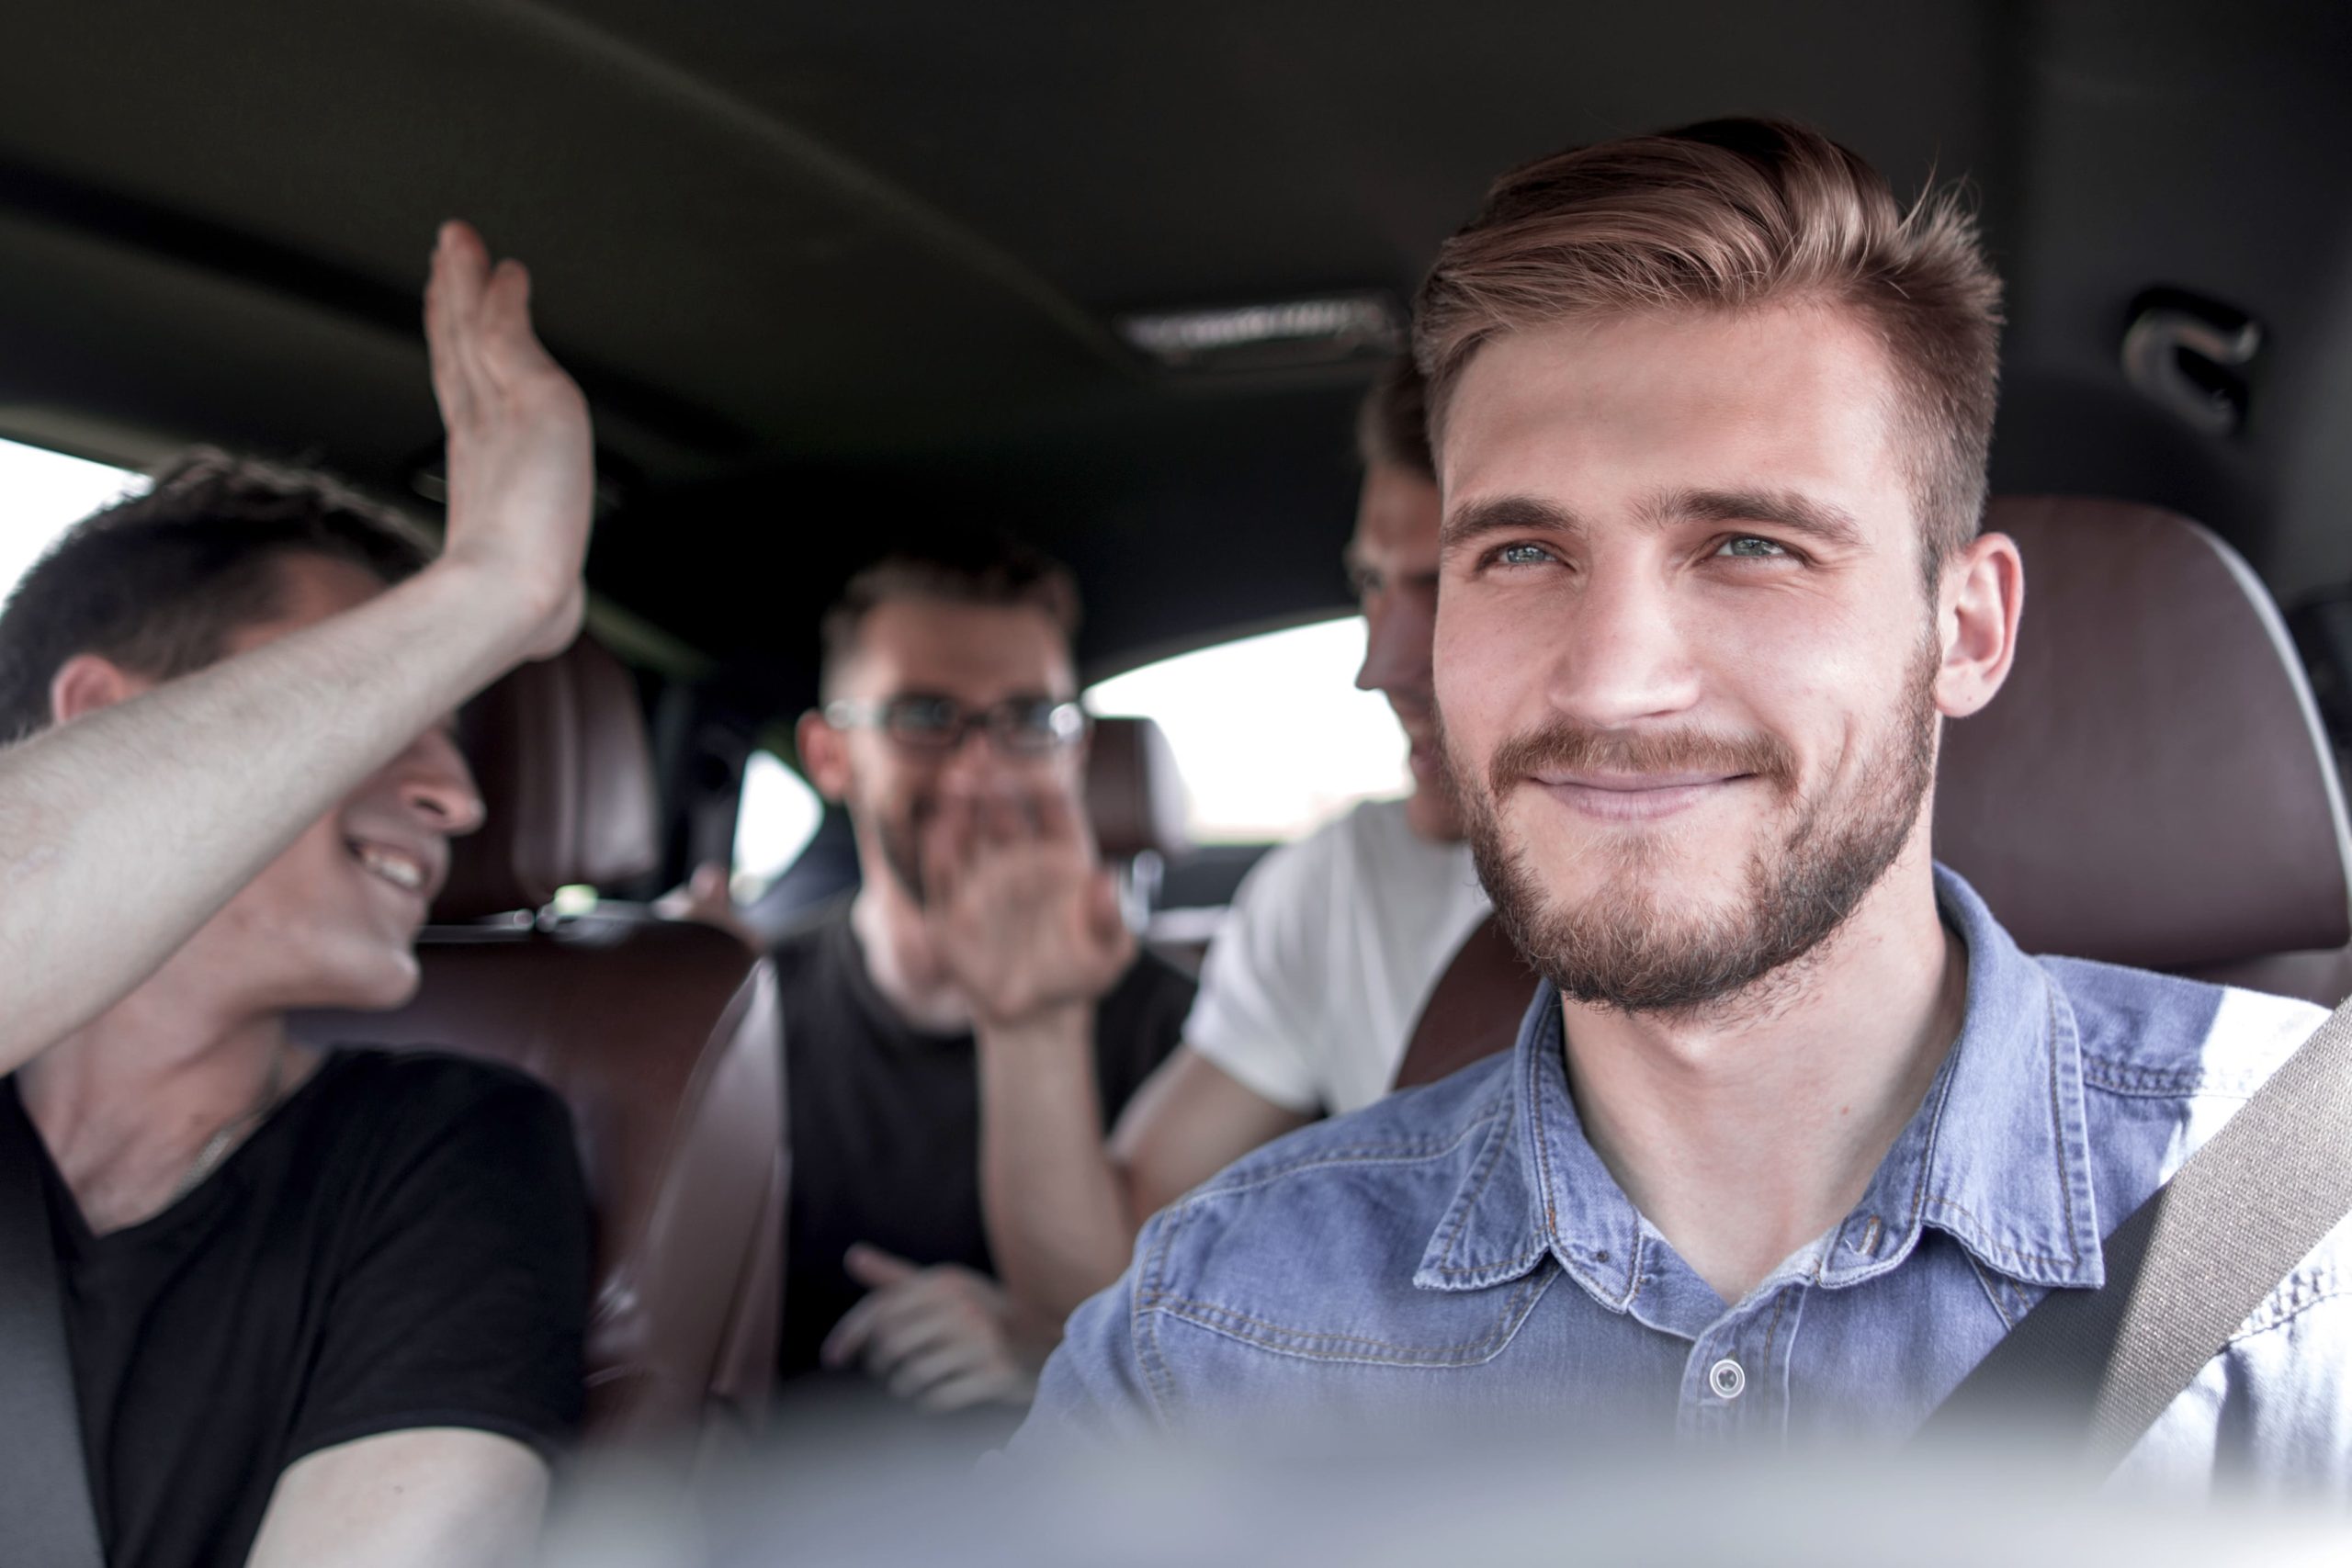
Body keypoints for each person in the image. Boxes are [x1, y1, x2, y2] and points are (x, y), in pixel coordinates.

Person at [1017, 119, 2352, 1483]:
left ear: (1967, 630)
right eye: (1524, 550)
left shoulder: (2312, 1222)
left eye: (1750, 544)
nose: (1609, 683)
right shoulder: (1219, 1328)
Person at [0, 221, 598, 1567]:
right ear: (104, 715)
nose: (458, 797)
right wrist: (487, 582)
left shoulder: (449, 1147)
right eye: (363, 700)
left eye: (451, 714)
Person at [964, 360, 1492, 1334]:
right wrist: (1028, 1022)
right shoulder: (1334, 890)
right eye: (1371, 588)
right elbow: (1113, 1279)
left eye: (1449, 584)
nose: (1379, 665)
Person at [771, 540, 1193, 1418]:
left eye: (1030, 720)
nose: (981, 771)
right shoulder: (736, 1024)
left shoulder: (1193, 1036)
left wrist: (1046, 1347)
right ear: (830, 755)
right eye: (925, 716)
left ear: (1073, 752)